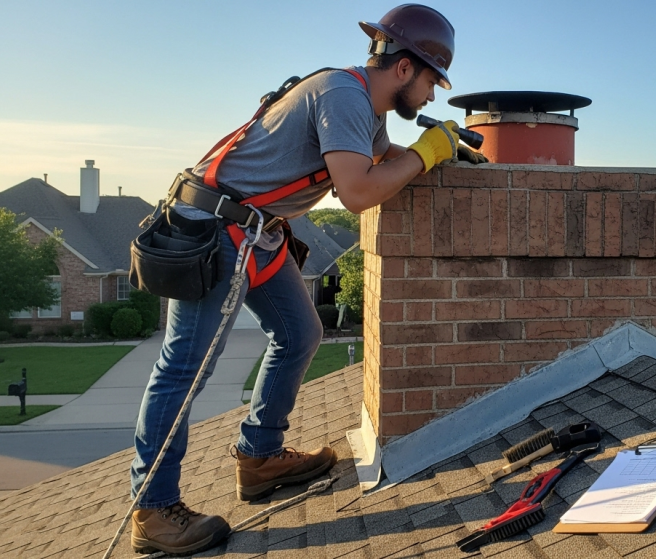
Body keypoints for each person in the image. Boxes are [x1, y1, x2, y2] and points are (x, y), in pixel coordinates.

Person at [128, 4, 479, 555]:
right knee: (184, 369)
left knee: (300, 333)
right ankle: (152, 509)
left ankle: (260, 457)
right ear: (406, 68)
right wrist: (426, 154)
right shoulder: (343, 95)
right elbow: (359, 191)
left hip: (256, 232)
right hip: (215, 227)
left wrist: (441, 150)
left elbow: (388, 158)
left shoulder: (368, 107)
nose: (433, 96)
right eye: (433, 80)